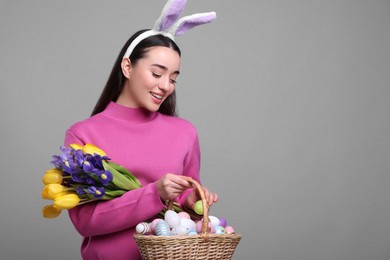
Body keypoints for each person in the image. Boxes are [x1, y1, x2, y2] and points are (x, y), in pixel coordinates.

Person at [63, 1, 218, 259]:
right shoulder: (84, 135)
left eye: (173, 78)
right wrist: (154, 193)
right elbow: (85, 220)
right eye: (157, 73)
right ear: (127, 67)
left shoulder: (185, 133)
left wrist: (193, 204)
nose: (166, 85)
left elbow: (186, 218)